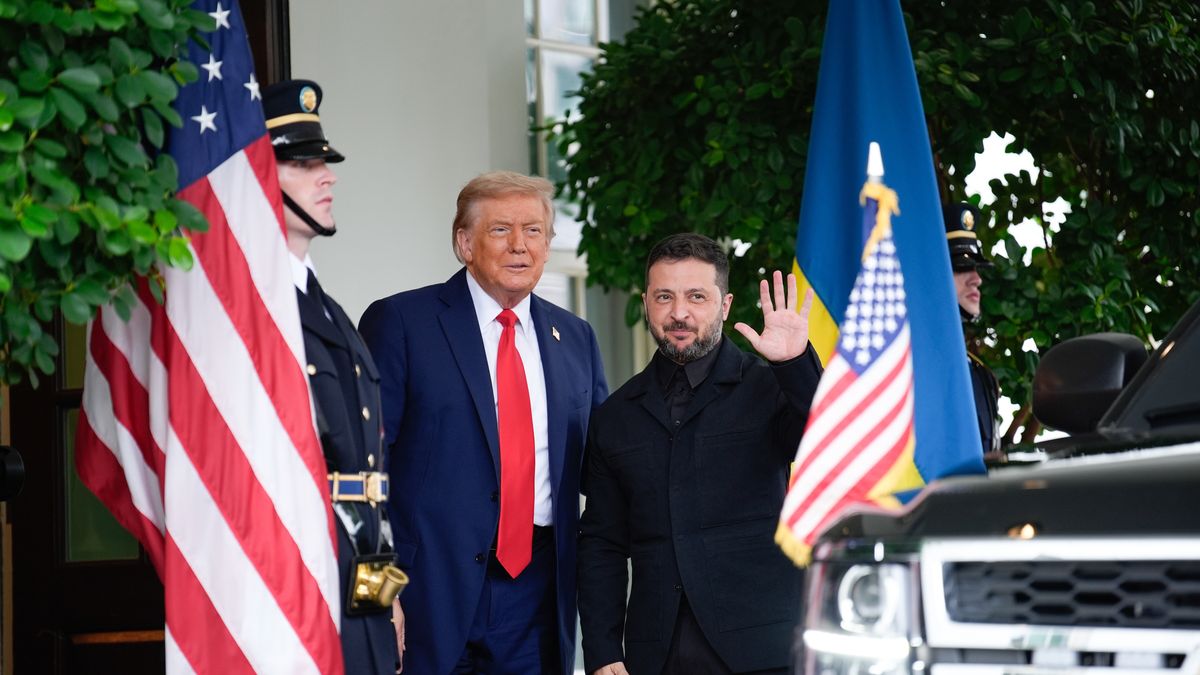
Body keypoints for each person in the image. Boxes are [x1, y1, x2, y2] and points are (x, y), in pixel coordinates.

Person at [358, 171, 608, 675]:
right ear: (464, 243)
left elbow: (605, 469)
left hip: (536, 598)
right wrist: (373, 598)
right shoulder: (402, 323)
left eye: (534, 231)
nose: (520, 246)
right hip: (425, 594)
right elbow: (363, 471)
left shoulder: (575, 336)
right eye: (500, 230)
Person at [577, 233, 822, 675]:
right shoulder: (614, 415)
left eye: (696, 296)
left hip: (763, 650)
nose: (679, 313)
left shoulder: (768, 386)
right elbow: (602, 544)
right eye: (664, 297)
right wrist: (602, 650)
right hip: (657, 654)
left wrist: (795, 363)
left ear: (725, 306)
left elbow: (824, 438)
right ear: (647, 303)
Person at [263, 79, 403, 674]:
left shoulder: (326, 308)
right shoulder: (258, 310)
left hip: (358, 592)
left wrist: (387, 600)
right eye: (303, 163)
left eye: (324, 161)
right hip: (298, 586)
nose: (328, 176)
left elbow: (365, 484)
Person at [944, 202, 1001, 456]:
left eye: (976, 268)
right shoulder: (905, 365)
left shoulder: (980, 374)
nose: (976, 279)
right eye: (962, 267)